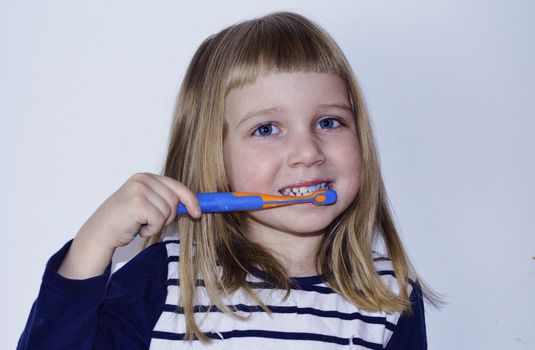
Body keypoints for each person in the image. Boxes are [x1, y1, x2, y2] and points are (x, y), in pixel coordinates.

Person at [18, 11, 432, 349]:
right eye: (267, 129)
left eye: (329, 121)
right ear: (214, 154)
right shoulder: (165, 280)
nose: (308, 152)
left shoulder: (390, 296)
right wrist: (92, 244)